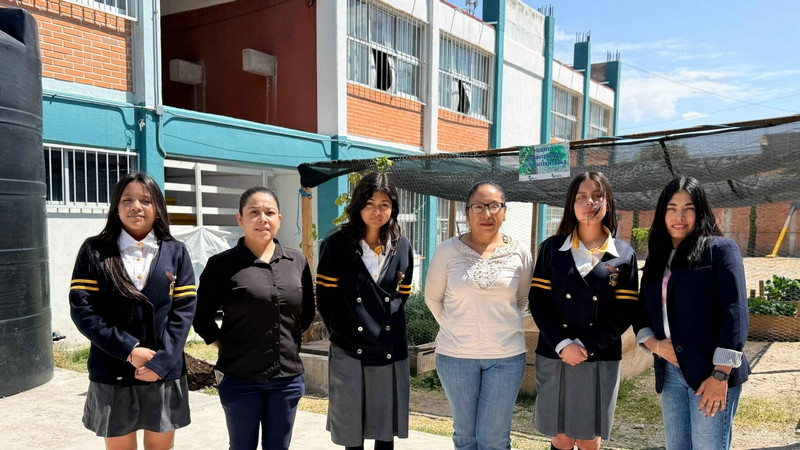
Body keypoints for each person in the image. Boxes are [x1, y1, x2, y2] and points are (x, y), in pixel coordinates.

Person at [69, 172, 197, 450]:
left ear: (158, 209)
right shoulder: (95, 250)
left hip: (163, 369)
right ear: (116, 207)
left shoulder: (177, 252)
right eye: (127, 200)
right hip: (112, 367)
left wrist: (160, 363)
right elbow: (83, 311)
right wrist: (129, 350)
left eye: (146, 200)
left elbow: (183, 313)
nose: (136, 206)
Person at [193, 186, 315, 450]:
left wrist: (287, 342)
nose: (263, 218)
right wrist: (221, 343)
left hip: (286, 379)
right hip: (240, 378)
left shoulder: (297, 262)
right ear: (240, 218)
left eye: (270, 212)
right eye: (254, 212)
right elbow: (200, 316)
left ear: (279, 219)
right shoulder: (221, 265)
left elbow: (305, 315)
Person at [633, 176, 749, 449]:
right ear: (662, 213)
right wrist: (655, 345)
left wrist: (720, 375)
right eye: (672, 208)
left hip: (711, 374)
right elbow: (641, 312)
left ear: (701, 211)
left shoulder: (719, 250)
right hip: (671, 375)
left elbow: (736, 314)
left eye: (689, 208)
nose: (679, 216)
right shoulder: (657, 257)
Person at [529, 171, 639, 450]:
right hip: (557, 352)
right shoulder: (552, 249)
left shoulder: (624, 254)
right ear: (571, 205)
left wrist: (585, 345)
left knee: (590, 439)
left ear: (608, 204)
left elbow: (625, 312)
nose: (589, 202)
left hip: (601, 354)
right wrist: (564, 344)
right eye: (581, 197)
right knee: (562, 436)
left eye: (597, 196)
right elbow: (539, 303)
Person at [425, 181, 533, 450]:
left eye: (494, 206)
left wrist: (498, 325)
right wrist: (458, 328)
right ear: (467, 212)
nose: (487, 213)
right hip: (455, 358)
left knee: (494, 439)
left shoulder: (519, 252)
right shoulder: (447, 251)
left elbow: (522, 299)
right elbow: (433, 298)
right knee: (465, 437)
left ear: (505, 212)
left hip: (506, 357)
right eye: (479, 206)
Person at [316, 172, 415, 450]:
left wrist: (383, 321)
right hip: (349, 346)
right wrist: (343, 331)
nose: (377, 211)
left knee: (385, 434)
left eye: (385, 204)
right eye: (370, 203)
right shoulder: (336, 243)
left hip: (388, 346)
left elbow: (402, 294)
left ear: (393, 208)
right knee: (352, 430)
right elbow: (325, 299)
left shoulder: (402, 245)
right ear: (358, 205)